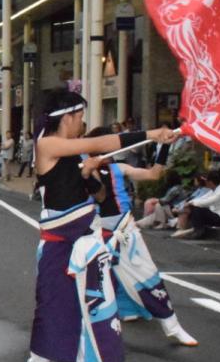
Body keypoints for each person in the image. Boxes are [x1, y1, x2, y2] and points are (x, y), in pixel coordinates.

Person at [11, 87, 176, 362]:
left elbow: (99, 196)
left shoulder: (76, 153)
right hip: (58, 243)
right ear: (67, 117)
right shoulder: (48, 144)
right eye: (80, 117)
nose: (82, 123)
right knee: (50, 308)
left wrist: (88, 173)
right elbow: (102, 142)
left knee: (96, 307)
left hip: (88, 240)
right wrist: (152, 133)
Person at [84, 133, 197, 346]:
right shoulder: (80, 172)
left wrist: (163, 147)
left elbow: (154, 175)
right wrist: (86, 169)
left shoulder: (120, 168)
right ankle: (82, 337)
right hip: (95, 231)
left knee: (148, 275)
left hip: (125, 230)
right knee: (90, 282)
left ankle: (173, 327)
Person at [172, 170, 220, 239]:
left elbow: (207, 202)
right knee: (193, 206)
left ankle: (198, 230)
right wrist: (188, 203)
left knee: (197, 207)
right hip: (216, 216)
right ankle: (188, 229)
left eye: (206, 180)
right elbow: (202, 199)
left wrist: (190, 203)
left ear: (210, 182)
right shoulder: (213, 191)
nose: (204, 182)